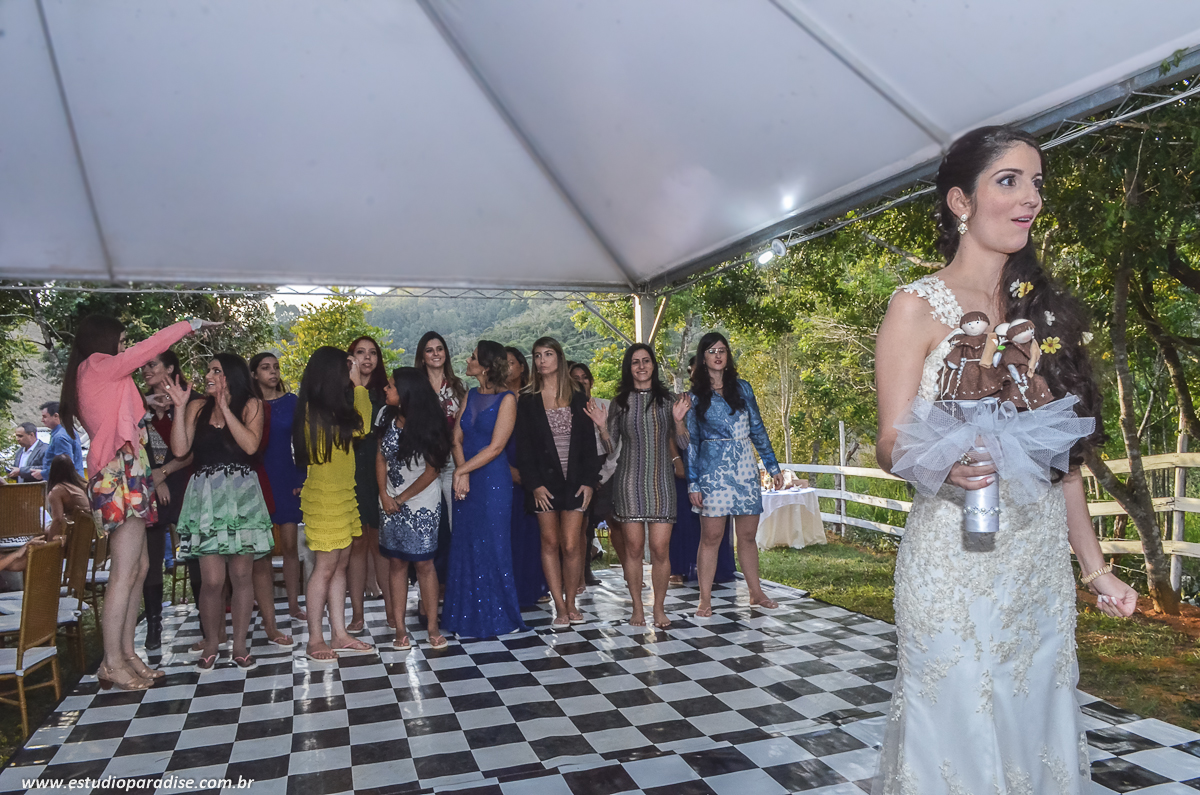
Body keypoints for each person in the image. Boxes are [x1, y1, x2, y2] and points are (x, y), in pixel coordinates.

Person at [872, 126, 1137, 793]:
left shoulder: (1041, 315)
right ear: (961, 201)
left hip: (1037, 573)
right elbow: (889, 439)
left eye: (1037, 182)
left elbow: (1064, 464)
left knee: (1032, 733)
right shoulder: (915, 306)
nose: (1031, 199)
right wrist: (941, 464)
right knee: (955, 740)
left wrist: (1096, 569)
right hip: (951, 567)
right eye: (1010, 180)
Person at [58, 314, 217, 690]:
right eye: (122, 339)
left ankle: (127, 654)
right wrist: (189, 325)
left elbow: (115, 409)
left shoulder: (94, 373)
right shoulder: (98, 365)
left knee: (141, 565)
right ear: (103, 339)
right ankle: (111, 662)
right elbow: (150, 349)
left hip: (128, 468)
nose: (126, 347)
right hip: (118, 471)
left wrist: (147, 399)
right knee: (125, 571)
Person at [167, 354, 276, 672]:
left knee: (241, 575)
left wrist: (225, 407)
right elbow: (179, 450)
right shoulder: (196, 407)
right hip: (207, 498)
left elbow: (251, 446)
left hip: (241, 495)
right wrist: (178, 407)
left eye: (216, 370)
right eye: (208, 369)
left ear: (230, 376)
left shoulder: (251, 405)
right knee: (212, 580)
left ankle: (240, 646)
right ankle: (212, 643)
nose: (208, 374)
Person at [683, 332, 784, 617]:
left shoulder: (743, 388)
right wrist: (693, 481)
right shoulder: (694, 397)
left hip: (745, 469)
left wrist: (772, 466)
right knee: (711, 537)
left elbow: (758, 431)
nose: (717, 355)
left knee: (748, 535)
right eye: (712, 350)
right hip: (712, 473)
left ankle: (756, 592)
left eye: (722, 350)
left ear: (727, 356)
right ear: (703, 357)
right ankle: (704, 599)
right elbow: (691, 443)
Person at [584, 344, 681, 628]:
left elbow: (684, 442)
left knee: (661, 549)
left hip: (662, 481)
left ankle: (659, 608)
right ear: (629, 367)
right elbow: (611, 447)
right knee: (634, 549)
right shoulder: (620, 401)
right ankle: (638, 608)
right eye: (635, 362)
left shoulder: (669, 400)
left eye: (646, 361)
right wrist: (602, 426)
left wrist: (679, 422)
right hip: (629, 481)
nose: (641, 366)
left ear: (653, 365)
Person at [293, 346, 376, 662]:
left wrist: (355, 389)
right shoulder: (312, 411)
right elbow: (362, 426)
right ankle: (315, 638)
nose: (351, 371)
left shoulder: (334, 408)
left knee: (339, 564)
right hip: (325, 499)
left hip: (343, 494)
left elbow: (360, 427)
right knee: (325, 567)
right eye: (347, 366)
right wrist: (358, 388)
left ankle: (339, 634)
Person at [443, 341, 526, 638]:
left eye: (473, 357)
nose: (467, 360)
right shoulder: (470, 394)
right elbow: (456, 438)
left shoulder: (508, 399)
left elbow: (497, 446)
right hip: (467, 480)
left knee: (493, 544)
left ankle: (500, 616)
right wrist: (462, 473)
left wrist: (462, 471)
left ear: (487, 366)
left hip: (492, 482)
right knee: (465, 543)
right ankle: (464, 616)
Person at [517, 337, 600, 627]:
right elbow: (523, 448)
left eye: (548, 354)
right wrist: (534, 484)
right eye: (537, 355)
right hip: (544, 484)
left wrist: (590, 481)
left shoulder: (578, 395)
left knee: (571, 545)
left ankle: (573, 602)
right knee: (550, 542)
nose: (542, 360)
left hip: (576, 481)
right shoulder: (527, 399)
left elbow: (590, 445)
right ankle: (560, 606)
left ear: (559, 358)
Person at [376, 367, 451, 650]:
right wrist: (384, 494)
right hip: (389, 500)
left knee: (424, 564)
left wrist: (402, 497)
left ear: (407, 393)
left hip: (421, 501)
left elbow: (433, 470)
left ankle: (432, 627)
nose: (386, 389)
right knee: (396, 563)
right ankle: (401, 630)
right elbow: (380, 459)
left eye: (392, 386)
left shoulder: (431, 422)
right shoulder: (385, 417)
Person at [140, 349, 200, 650]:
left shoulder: (191, 399)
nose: (145, 371)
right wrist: (153, 478)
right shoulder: (135, 405)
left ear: (170, 367)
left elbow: (192, 451)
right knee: (150, 559)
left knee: (197, 555)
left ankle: (207, 622)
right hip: (150, 491)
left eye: (152, 364)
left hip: (187, 486)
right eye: (143, 366)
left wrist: (162, 473)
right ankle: (153, 624)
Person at [668, 357, 737, 584]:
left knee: (714, 520)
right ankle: (679, 568)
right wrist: (678, 461)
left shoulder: (724, 398)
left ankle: (716, 570)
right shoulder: (683, 399)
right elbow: (671, 433)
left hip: (714, 470)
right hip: (685, 467)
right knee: (684, 519)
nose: (694, 373)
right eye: (691, 370)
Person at [250, 352, 306, 621]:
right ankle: (264, 606)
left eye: (276, 367)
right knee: (259, 550)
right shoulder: (248, 405)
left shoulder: (291, 402)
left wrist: (301, 477)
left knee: (289, 546)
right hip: (256, 478)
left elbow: (303, 442)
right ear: (254, 374)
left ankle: (294, 605)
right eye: (265, 368)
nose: (272, 372)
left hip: (286, 476)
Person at [415, 331, 466, 590]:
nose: (435, 353)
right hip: (422, 466)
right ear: (422, 357)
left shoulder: (457, 386)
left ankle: (453, 583)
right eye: (429, 350)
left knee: (452, 525)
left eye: (439, 348)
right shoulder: (416, 386)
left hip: (453, 466)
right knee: (429, 526)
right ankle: (431, 586)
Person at [346, 336, 390, 634]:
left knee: (381, 544)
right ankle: (357, 614)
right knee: (358, 544)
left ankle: (392, 611)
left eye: (372, 353)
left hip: (383, 471)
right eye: (360, 352)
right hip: (350, 472)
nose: (367, 358)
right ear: (350, 358)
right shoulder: (341, 394)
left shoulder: (386, 393)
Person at [505, 347, 547, 606]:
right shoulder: (494, 397)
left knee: (534, 532)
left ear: (522, 366)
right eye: (502, 364)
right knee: (507, 533)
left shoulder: (535, 397)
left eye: (511, 363)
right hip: (502, 469)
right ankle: (509, 588)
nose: (507, 368)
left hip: (533, 470)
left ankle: (535, 585)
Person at [570, 362, 617, 590]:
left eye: (584, 377)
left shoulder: (606, 406)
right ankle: (580, 574)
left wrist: (601, 477)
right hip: (577, 474)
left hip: (606, 472)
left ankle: (631, 573)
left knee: (616, 523)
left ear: (591, 380)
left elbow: (615, 449)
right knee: (581, 527)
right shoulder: (566, 409)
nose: (581, 381)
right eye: (575, 377)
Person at [44, 454, 90, 541]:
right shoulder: (81, 484)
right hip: (89, 531)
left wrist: (49, 545)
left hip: (76, 533)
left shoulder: (58, 490)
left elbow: (58, 520)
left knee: (42, 532)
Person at [39, 402, 84, 478]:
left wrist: (43, 473)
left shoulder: (60, 437)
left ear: (56, 416)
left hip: (65, 483)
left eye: (45, 417)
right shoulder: (69, 431)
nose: (42, 420)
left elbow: (64, 466)